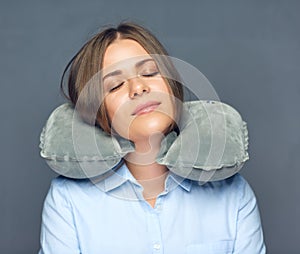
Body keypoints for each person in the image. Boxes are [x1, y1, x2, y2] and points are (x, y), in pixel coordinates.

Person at [38, 22, 266, 253]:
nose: (138, 87)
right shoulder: (68, 200)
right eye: (115, 86)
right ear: (97, 112)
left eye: (149, 72)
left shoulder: (233, 193)